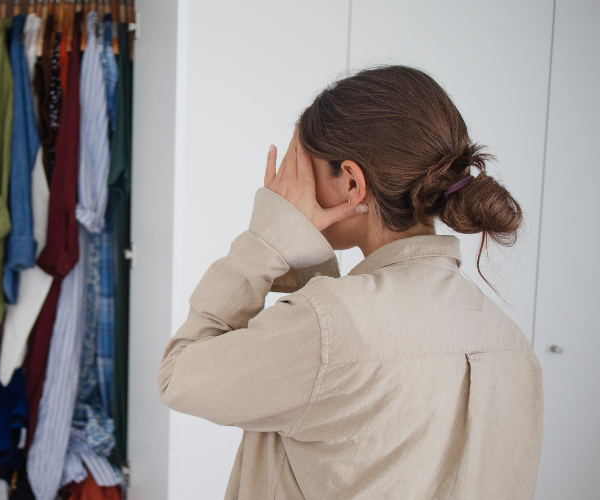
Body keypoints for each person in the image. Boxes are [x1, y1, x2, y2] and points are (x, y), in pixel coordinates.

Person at [158, 66, 543, 500]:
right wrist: (308, 259)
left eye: (300, 170)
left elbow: (179, 375)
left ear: (353, 183)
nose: (288, 187)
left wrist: (265, 242)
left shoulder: (327, 329)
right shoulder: (512, 343)